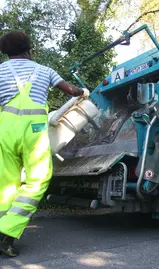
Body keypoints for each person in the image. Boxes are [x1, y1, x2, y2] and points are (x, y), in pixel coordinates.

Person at [0, 31, 89, 257]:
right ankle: (6, 232)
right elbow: (71, 91)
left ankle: (2, 226)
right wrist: (82, 92)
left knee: (6, 184)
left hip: (5, 131)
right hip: (34, 131)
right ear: (29, 50)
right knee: (37, 179)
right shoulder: (44, 70)